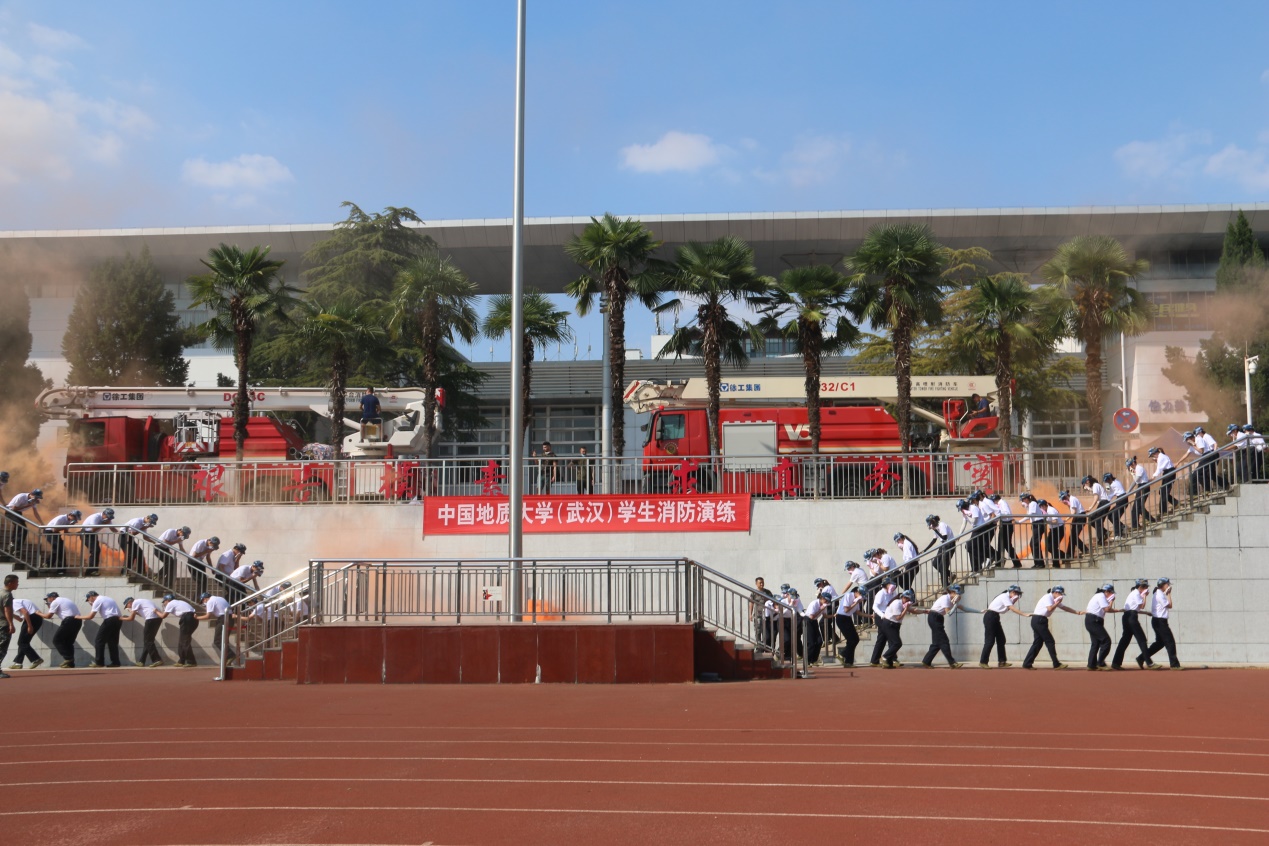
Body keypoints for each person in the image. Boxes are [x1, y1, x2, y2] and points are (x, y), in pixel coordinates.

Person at [1022, 585, 1081, 670]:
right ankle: (1056, 663)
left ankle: (1027, 663)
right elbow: (1049, 609)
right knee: (1050, 641)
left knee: (1038, 643)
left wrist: (1077, 612)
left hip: (1039, 620)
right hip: (1039, 620)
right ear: (1056, 592)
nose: (1061, 596)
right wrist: (1057, 603)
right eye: (1061, 594)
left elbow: (1065, 608)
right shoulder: (1048, 597)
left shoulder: (1053, 599)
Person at [915, 584, 973, 668]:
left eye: (959, 594)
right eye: (956, 593)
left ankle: (926, 661)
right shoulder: (945, 598)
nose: (958, 595)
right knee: (944, 641)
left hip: (937, 618)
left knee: (937, 643)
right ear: (952, 592)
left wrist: (980, 611)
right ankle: (952, 662)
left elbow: (964, 608)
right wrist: (956, 604)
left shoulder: (951, 600)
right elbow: (948, 613)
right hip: (934, 617)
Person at [979, 584, 1029, 668]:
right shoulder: (1004, 596)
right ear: (1012, 592)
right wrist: (1024, 614)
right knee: (990, 641)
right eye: (1017, 593)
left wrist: (1013, 601)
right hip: (990, 616)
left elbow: (1005, 610)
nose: (1018, 595)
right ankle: (983, 662)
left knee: (1001, 639)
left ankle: (1002, 661)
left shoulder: (1007, 598)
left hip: (995, 616)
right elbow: (1012, 609)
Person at [1111, 579, 1156, 670]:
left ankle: (1116, 663)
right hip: (1131, 618)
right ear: (1141, 587)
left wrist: (1146, 613)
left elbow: (1134, 609)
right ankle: (1149, 662)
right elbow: (1141, 606)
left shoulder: (1134, 593)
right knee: (1142, 639)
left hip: (1127, 617)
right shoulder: (1136, 593)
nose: (1146, 589)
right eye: (1145, 587)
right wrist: (1144, 596)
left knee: (1124, 641)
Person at [76, 590, 123, 668]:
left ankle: (99, 662)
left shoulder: (97, 600)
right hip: (118, 620)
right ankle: (115, 662)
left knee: (99, 641)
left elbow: (90, 616)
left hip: (109, 620)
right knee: (113, 642)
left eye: (89, 599)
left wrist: (78, 617)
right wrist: (93, 605)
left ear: (91, 597)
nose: (89, 601)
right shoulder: (107, 598)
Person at [36, 591, 82, 668]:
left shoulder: (55, 602)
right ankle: (70, 664)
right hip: (77, 621)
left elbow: (48, 616)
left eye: (47, 599)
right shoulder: (65, 600)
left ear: (51, 597)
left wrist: (38, 613)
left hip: (68, 621)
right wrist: (50, 606)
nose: (48, 601)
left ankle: (68, 658)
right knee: (69, 642)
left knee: (57, 640)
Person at [1144, 577, 1182, 670]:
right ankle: (1174, 665)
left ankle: (1142, 657)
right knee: (1170, 642)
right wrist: (1169, 594)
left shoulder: (1158, 593)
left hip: (1158, 621)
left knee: (1160, 643)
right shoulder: (1159, 594)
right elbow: (1170, 605)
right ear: (1163, 585)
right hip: (1160, 621)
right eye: (1167, 584)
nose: (1168, 586)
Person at [1084, 583, 1122, 670]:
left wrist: (1117, 610)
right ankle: (1100, 663)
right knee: (1106, 641)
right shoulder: (1101, 596)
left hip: (1091, 620)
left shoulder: (1099, 596)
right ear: (1107, 591)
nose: (1112, 595)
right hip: (1094, 620)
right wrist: (1111, 601)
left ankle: (1091, 664)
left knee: (1095, 643)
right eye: (1111, 593)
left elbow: (1106, 609)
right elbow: (1107, 609)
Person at [156, 593, 199, 667]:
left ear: (168, 600)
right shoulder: (179, 602)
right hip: (193, 619)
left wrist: (156, 611)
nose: (164, 603)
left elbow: (163, 616)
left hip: (187, 618)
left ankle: (191, 661)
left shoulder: (170, 603)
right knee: (183, 640)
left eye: (164, 601)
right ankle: (181, 660)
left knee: (184, 641)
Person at [121, 596, 165, 667]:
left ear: (129, 602)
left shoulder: (135, 603)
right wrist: (133, 612)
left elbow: (131, 618)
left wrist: (120, 618)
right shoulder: (142, 601)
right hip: (157, 619)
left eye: (127, 606)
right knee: (148, 641)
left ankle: (157, 659)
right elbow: (142, 614)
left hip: (151, 619)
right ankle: (142, 661)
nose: (128, 607)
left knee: (148, 641)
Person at [878, 589, 917, 668]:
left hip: (894, 625)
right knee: (897, 643)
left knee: (893, 643)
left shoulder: (903, 604)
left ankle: (888, 663)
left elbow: (913, 610)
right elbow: (898, 617)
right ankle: (885, 657)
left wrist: (925, 611)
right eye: (908, 600)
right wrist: (906, 609)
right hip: (889, 624)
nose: (909, 602)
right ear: (904, 598)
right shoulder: (897, 603)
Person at [868, 578, 899, 667]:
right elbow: (874, 607)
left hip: (888, 616)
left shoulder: (892, 593)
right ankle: (892, 659)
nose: (892, 586)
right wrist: (882, 615)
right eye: (890, 584)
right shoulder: (881, 593)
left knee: (882, 639)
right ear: (886, 585)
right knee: (891, 636)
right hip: (881, 617)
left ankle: (874, 660)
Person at [8, 590, 43, 669]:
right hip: (35, 618)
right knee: (24, 642)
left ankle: (36, 659)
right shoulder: (19, 602)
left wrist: (29, 626)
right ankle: (18, 663)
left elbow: (25, 612)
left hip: (32, 619)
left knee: (22, 642)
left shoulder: (13, 602)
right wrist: (10, 613)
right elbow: (20, 619)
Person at [5, 488, 44, 557]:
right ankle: (15, 546)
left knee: (23, 529)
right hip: (10, 511)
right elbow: (14, 508)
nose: (36, 499)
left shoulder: (33, 501)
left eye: (37, 498)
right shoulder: (21, 496)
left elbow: (35, 513)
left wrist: (41, 522)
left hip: (18, 513)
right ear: (31, 494)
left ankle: (15, 545)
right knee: (20, 526)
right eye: (35, 497)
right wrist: (29, 505)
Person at [197, 591, 234, 662]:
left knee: (218, 640)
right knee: (224, 640)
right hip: (230, 618)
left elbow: (208, 616)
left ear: (204, 599)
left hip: (223, 619)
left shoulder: (210, 601)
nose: (204, 603)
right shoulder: (220, 598)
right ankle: (227, 658)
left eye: (203, 601)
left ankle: (230, 655)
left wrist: (196, 618)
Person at [80, 507, 116, 575]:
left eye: (110, 518)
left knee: (97, 551)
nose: (109, 519)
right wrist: (103, 524)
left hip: (93, 535)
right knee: (94, 551)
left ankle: (93, 570)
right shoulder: (95, 517)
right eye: (108, 517)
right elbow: (93, 529)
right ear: (104, 514)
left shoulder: (107, 519)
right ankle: (91, 571)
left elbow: (113, 528)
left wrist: (121, 532)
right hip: (86, 533)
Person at [990, 493, 1023, 568]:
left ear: (995, 500)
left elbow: (1007, 513)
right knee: (1001, 545)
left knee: (1007, 545)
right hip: (1004, 524)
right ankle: (1000, 564)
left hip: (1007, 524)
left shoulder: (1002, 503)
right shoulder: (1000, 504)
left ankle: (1016, 563)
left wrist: (998, 514)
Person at [835, 585, 864, 667]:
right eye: (861, 594)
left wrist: (870, 616)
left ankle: (848, 661)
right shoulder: (848, 595)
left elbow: (858, 612)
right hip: (841, 618)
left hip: (848, 618)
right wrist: (856, 602)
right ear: (856, 592)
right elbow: (846, 610)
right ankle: (844, 655)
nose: (862, 596)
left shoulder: (856, 600)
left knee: (855, 639)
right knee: (852, 640)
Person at [921, 514, 955, 586]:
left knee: (943, 566)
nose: (931, 525)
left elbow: (944, 537)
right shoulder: (936, 528)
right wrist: (925, 550)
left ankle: (945, 585)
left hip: (949, 545)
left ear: (934, 521)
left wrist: (935, 530)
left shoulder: (942, 525)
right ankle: (950, 574)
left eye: (931, 523)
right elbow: (934, 540)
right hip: (943, 545)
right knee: (935, 563)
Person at [1125, 457, 1155, 531]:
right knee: (1135, 508)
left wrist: (1128, 491)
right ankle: (1136, 525)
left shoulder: (1139, 468)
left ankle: (1151, 520)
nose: (1130, 467)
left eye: (1130, 465)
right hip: (1140, 487)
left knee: (1138, 507)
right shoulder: (1135, 469)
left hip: (1143, 487)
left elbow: (1136, 481)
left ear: (1133, 463)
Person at [1081, 475, 1111, 546]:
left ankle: (1101, 540)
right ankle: (1105, 532)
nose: (1085, 487)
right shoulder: (1095, 486)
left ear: (1087, 481)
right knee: (1092, 519)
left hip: (1104, 503)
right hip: (1103, 503)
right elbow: (1095, 492)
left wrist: (1090, 507)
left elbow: (1096, 497)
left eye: (1085, 484)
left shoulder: (1095, 485)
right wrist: (1089, 488)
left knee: (1098, 521)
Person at [1150, 447, 1180, 515]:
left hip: (1169, 473)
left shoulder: (1161, 457)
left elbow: (1159, 469)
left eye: (1152, 455)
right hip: (1167, 473)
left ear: (1155, 453)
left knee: (1164, 492)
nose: (1153, 457)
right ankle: (1175, 503)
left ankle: (1163, 511)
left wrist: (1153, 477)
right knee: (1162, 491)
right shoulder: (1161, 457)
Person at [802, 590, 829, 666]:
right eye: (826, 601)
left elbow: (825, 616)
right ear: (822, 598)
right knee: (811, 642)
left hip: (814, 621)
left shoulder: (824, 606)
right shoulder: (814, 603)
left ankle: (814, 660)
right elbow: (811, 616)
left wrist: (834, 615)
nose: (827, 602)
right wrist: (821, 609)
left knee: (819, 641)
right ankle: (807, 661)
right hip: (808, 621)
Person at [1058, 491, 1088, 558]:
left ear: (1066, 497)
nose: (1063, 501)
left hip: (1080, 517)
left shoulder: (1072, 499)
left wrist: (1066, 519)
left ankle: (1084, 550)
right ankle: (1071, 554)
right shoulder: (1070, 500)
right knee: (1072, 536)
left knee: (1074, 536)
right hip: (1077, 517)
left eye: (1063, 499)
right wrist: (1068, 504)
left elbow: (1073, 512)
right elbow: (1072, 511)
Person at [1020, 493, 1046, 567]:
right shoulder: (1030, 505)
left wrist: (1019, 521)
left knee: (1035, 544)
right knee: (1033, 544)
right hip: (1035, 524)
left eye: (1023, 500)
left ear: (1026, 499)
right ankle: (1037, 563)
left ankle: (1040, 563)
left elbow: (1031, 515)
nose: (1022, 502)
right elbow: (1029, 514)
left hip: (1038, 524)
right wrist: (1026, 507)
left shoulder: (1033, 503)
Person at [1103, 473, 1128, 539]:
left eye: (1107, 480)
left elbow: (1109, 494)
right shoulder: (1116, 481)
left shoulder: (1113, 484)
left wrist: (1107, 485)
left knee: (1115, 517)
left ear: (1110, 479)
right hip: (1120, 499)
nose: (1107, 482)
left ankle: (1118, 535)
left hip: (1122, 499)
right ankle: (1122, 526)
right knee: (1110, 514)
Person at [1042, 499, 1065, 566]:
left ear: (1044, 506)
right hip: (1053, 530)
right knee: (1048, 546)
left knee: (1053, 547)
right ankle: (1064, 555)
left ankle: (1056, 564)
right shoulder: (1046, 511)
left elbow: (1055, 521)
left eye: (1040, 507)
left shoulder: (1051, 510)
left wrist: (1046, 522)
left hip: (1058, 529)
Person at [0, 574, 14, 678]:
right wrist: (10, 624)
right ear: (10, 583)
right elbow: (7, 610)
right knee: (2, 647)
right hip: (3, 624)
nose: (17, 584)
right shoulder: (7, 594)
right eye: (16, 582)